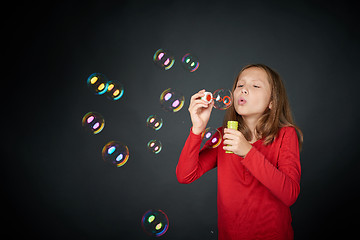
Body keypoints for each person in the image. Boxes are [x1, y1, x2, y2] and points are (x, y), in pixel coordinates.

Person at [176, 64, 303, 240]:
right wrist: (197, 129)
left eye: (255, 86)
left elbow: (290, 194)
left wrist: (248, 152)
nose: (244, 90)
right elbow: (185, 175)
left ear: (272, 102)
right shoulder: (224, 135)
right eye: (240, 85)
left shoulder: (285, 135)